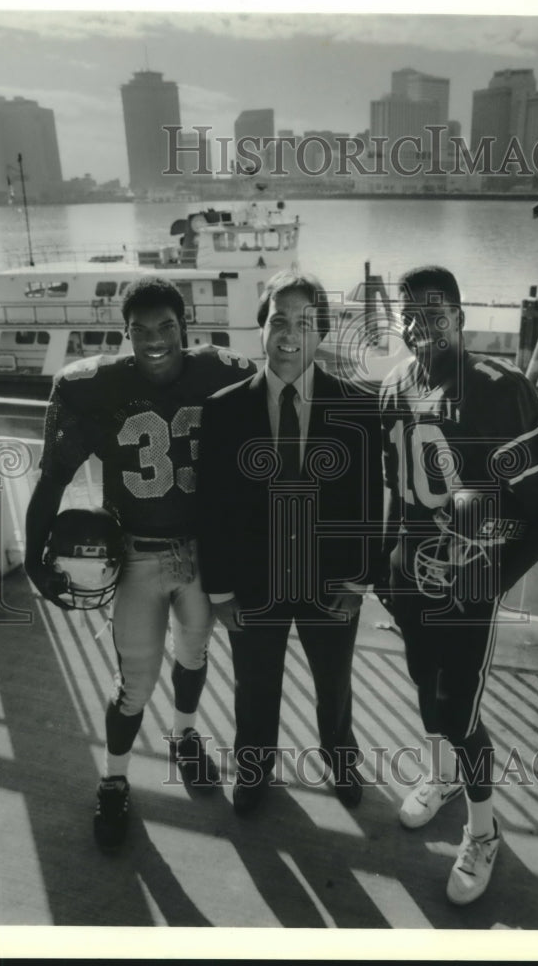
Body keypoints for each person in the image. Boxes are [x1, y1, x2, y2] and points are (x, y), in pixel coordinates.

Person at [378, 265, 538, 905]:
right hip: (412, 575)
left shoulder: (500, 391)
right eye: (410, 313)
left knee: (460, 712)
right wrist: (390, 568)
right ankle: (440, 779)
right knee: (424, 689)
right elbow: (399, 489)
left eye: (434, 312)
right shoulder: (393, 386)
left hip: (468, 583)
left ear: (461, 317)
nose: (421, 325)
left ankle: (483, 828)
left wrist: (493, 573)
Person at [24, 276, 256, 848]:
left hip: (202, 551)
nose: (155, 339)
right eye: (141, 330)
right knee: (135, 681)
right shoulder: (92, 386)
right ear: (125, 332)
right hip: (135, 556)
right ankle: (115, 780)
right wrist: (33, 559)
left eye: (167, 327)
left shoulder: (223, 371)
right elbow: (53, 480)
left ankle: (183, 737)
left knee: (195, 653)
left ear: (186, 326)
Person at [196, 270, 383, 815]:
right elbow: (214, 507)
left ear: (320, 333)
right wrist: (221, 590)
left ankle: (340, 764)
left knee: (334, 683)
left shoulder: (355, 406)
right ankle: (254, 773)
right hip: (254, 581)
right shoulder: (225, 409)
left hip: (329, 579)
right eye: (278, 320)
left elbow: (368, 502)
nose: (288, 335)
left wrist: (357, 580)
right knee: (253, 685)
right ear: (262, 328)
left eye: (304, 323)